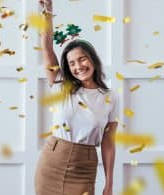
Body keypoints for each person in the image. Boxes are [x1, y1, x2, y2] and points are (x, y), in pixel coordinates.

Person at [35, 0, 119, 194]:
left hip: (84, 167)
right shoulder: (61, 85)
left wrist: (109, 183)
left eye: (82, 59)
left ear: (93, 60)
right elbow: (47, 48)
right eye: (72, 63)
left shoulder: (110, 97)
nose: (78, 66)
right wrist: (48, 13)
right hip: (52, 162)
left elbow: (108, 143)